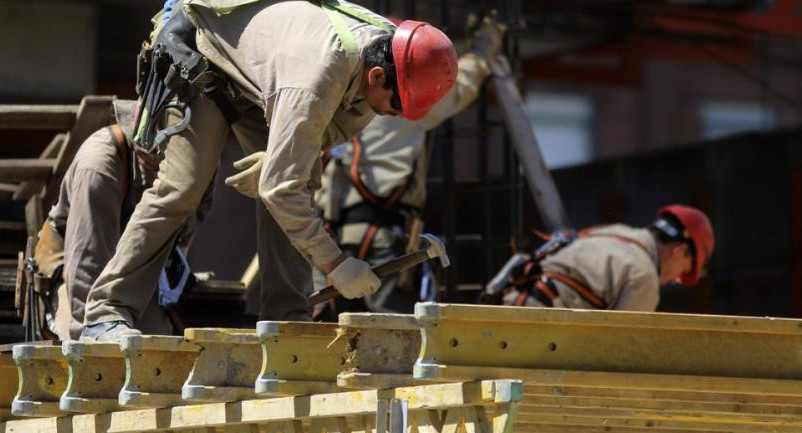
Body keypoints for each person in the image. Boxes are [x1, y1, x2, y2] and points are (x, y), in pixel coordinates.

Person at [79, 0, 458, 341]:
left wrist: (281, 158)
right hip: (201, 53)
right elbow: (282, 189)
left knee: (300, 175)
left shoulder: (384, 57)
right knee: (183, 188)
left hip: (264, 79)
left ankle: (288, 322)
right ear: (376, 77)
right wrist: (335, 263)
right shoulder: (319, 75)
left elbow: (333, 129)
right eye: (395, 105)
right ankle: (106, 312)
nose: (393, 114)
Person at [227, 17, 505, 316]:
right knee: (389, 324)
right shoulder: (405, 103)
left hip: (326, 229)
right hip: (380, 231)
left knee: (322, 317)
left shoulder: (337, 94)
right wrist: (483, 48)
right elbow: (460, 86)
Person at [40, 100, 211, 340]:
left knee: (158, 351)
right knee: (88, 350)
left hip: (137, 273)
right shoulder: (99, 166)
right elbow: (86, 265)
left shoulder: (196, 165)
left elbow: (184, 232)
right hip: (78, 275)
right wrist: (89, 343)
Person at [488, 205, 715, 311]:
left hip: (510, 305)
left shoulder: (615, 231)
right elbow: (618, 350)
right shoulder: (644, 277)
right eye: (685, 270)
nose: (676, 279)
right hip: (537, 328)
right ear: (679, 251)